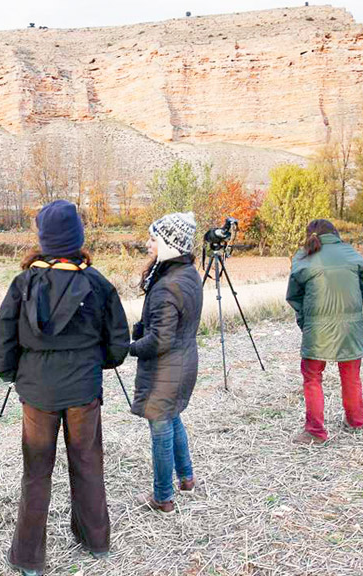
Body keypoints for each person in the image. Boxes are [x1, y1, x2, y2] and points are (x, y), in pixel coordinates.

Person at [0, 200, 130, 575]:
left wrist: (9, 372)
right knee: (87, 463)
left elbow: (4, 338)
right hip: (83, 392)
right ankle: (95, 541)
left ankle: (28, 558)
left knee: (36, 471)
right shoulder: (98, 284)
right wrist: (95, 362)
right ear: (77, 238)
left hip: (37, 394)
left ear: (44, 240)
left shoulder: (22, 284)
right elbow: (119, 345)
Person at [130, 212, 203, 513]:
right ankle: (186, 478)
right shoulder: (187, 274)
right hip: (184, 362)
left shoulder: (167, 285)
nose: (148, 244)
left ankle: (162, 497)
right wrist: (142, 326)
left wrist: (128, 347)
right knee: (173, 418)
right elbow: (167, 326)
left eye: (153, 239)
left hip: (165, 371)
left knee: (161, 427)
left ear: (170, 243)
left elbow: (159, 341)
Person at [285, 219, 363, 444]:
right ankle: (356, 421)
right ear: (335, 233)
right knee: (351, 376)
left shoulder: (303, 258)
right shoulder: (352, 254)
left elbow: (293, 296)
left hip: (317, 330)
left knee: (312, 377)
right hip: (350, 328)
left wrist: (306, 322)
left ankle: (315, 432)